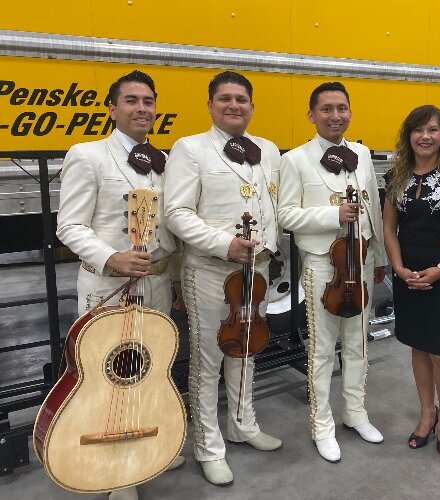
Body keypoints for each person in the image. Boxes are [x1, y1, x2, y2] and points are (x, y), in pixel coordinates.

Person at [56, 70, 184, 500]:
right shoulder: (88, 154)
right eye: (131, 101)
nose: (141, 109)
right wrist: (111, 256)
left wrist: (177, 275)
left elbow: (174, 229)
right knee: (108, 377)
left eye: (148, 101)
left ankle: (148, 446)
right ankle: (117, 473)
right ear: (112, 109)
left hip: (158, 286)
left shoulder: (165, 162)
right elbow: (69, 225)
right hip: (106, 287)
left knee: (150, 372)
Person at [163, 71, 282, 487]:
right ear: (210, 104)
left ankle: (242, 425)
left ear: (252, 105)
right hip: (211, 269)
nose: (234, 105)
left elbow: (272, 205)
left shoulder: (268, 150)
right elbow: (176, 213)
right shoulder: (190, 149)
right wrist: (223, 244)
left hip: (258, 270)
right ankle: (208, 447)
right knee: (208, 358)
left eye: (242, 99)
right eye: (225, 99)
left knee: (247, 348)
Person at [277, 82, 386, 463]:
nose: (335, 116)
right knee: (322, 349)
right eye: (326, 109)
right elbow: (285, 214)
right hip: (324, 264)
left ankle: (355, 412)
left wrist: (381, 256)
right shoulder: (294, 160)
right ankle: (321, 424)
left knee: (358, 342)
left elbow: (373, 204)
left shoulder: (361, 153)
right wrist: (331, 215)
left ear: (350, 112)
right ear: (311, 115)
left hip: (362, 258)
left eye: (342, 108)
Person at [382, 105, 440, 456]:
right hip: (408, 274)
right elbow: (389, 228)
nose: (425, 136)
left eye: (433, 130)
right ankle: (426, 413)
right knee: (418, 347)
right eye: (418, 130)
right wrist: (398, 267)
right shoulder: (396, 177)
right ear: (408, 135)